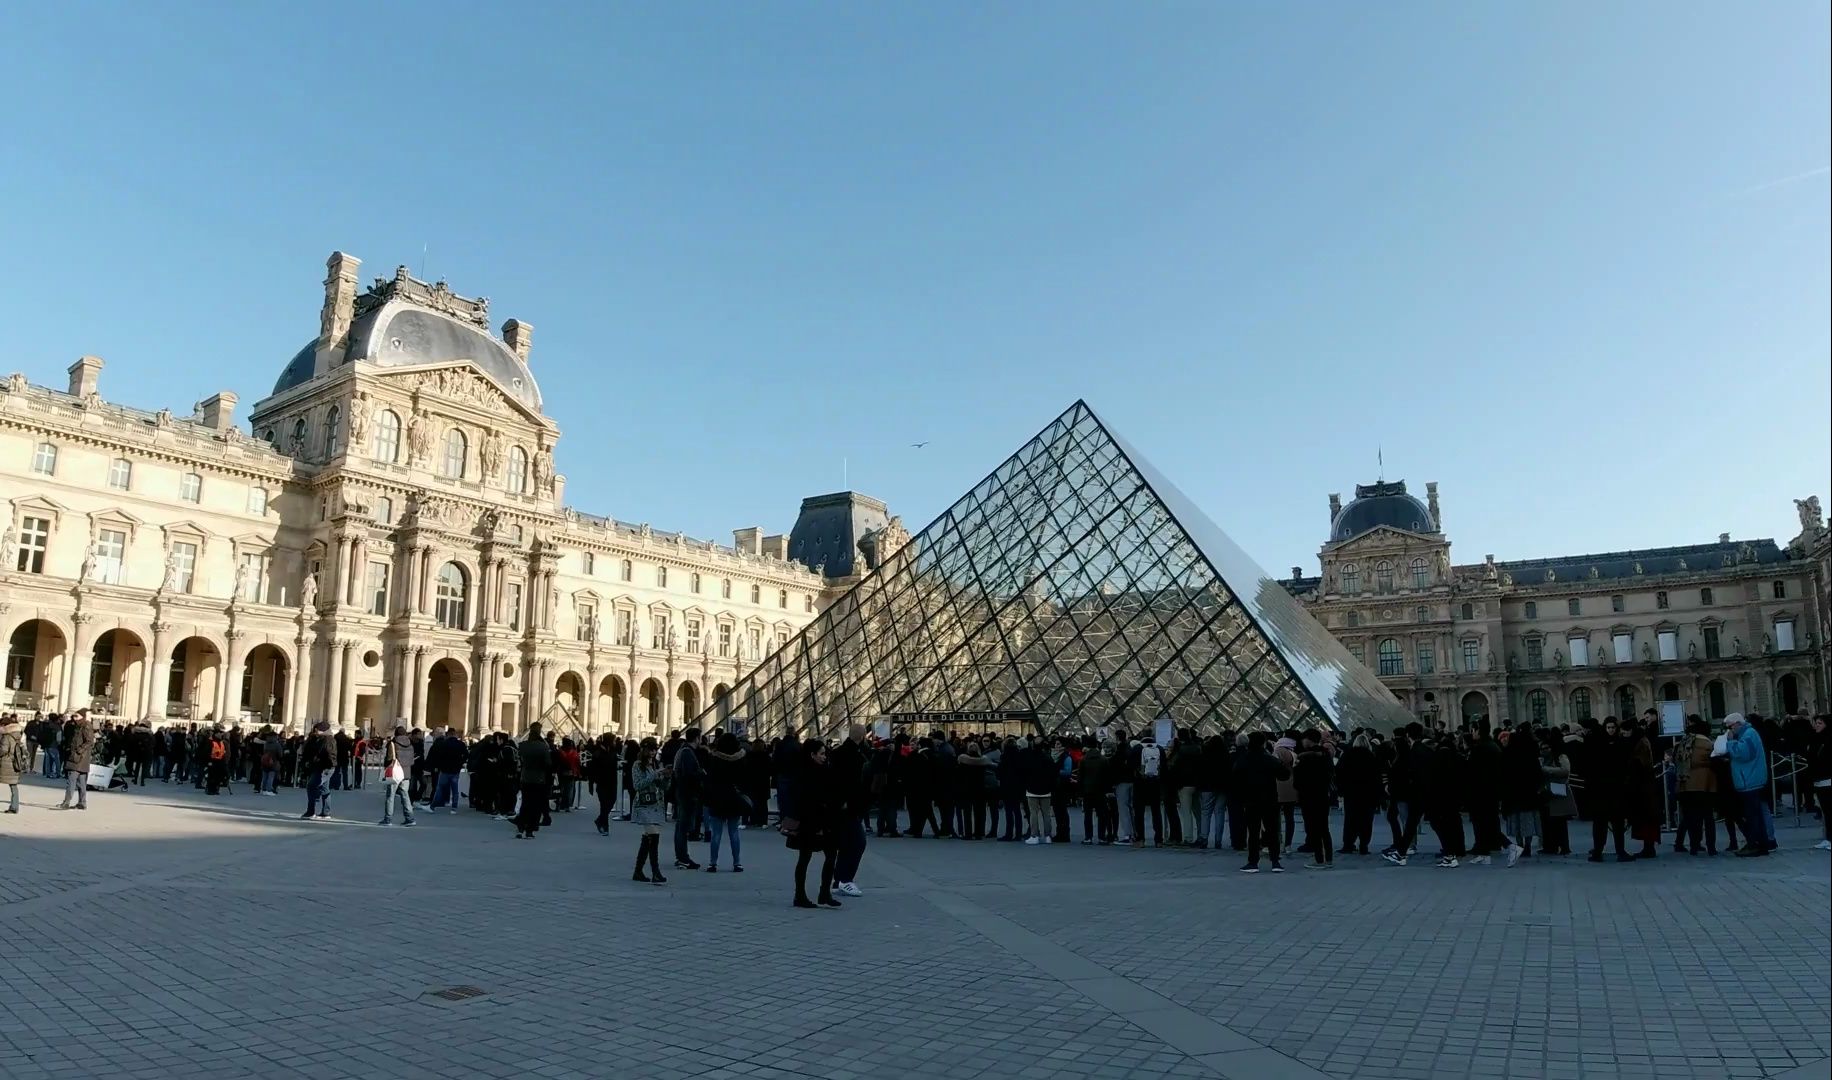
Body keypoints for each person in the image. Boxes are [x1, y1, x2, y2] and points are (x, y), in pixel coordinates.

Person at [787, 740, 842, 908]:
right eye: (822, 753)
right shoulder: (805, 774)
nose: (825, 757)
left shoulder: (822, 770)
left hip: (823, 821)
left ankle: (824, 892)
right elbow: (804, 799)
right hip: (809, 821)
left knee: (830, 855)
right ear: (812, 755)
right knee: (806, 857)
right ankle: (800, 895)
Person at [1233, 732, 1286, 873]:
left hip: (1251, 800)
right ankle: (1275, 862)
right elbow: (1284, 775)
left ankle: (1252, 862)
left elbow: (1236, 776)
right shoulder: (1269, 758)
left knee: (1253, 832)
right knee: (1272, 831)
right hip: (1270, 799)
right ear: (1264, 742)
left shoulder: (1244, 758)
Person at [827, 723, 870, 894]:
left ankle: (839, 881)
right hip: (849, 807)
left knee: (846, 844)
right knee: (858, 843)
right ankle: (845, 879)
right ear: (862, 736)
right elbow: (850, 783)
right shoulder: (855, 755)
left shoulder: (838, 753)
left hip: (844, 806)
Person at [1724, 713, 1772, 857]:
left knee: (1752, 815)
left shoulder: (1749, 734)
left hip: (1749, 780)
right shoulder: (1748, 734)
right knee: (1755, 814)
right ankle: (1761, 844)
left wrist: (1731, 742)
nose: (1729, 730)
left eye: (1730, 727)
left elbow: (1743, 754)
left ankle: (1754, 844)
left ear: (1738, 723)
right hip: (1749, 779)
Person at [702, 732, 750, 873]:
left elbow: (709, 780)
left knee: (716, 833)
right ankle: (737, 863)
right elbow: (745, 779)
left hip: (718, 798)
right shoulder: (741, 758)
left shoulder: (714, 759)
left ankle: (713, 863)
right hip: (734, 798)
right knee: (734, 832)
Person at [1584, 718, 1631, 862]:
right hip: (1602, 789)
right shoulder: (1599, 744)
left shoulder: (1620, 743)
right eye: (1608, 727)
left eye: (1613, 727)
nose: (1611, 730)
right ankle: (1598, 850)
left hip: (1615, 789)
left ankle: (1619, 850)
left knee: (1616, 823)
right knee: (1601, 823)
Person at [1497, 722, 1541, 864]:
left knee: (1515, 822)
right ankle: (1527, 845)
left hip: (1512, 794)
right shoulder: (1530, 752)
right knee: (1528, 821)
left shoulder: (1507, 754)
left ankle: (1520, 844)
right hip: (1528, 793)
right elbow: (1537, 772)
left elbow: (1503, 775)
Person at [1674, 716, 1719, 855]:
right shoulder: (1707, 744)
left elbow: (1676, 760)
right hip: (1704, 783)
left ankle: (1694, 846)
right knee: (1708, 817)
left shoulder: (1682, 742)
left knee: (1691, 817)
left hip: (1686, 783)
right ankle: (1711, 847)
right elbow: (1714, 760)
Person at [1293, 730, 1335, 869]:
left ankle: (1319, 859)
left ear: (1309, 740)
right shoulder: (1326, 754)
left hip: (1309, 796)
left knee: (1313, 828)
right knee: (1324, 828)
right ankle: (1328, 858)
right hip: (1323, 795)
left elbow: (1297, 781)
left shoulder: (1304, 757)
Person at [629, 739, 669, 884]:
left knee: (648, 837)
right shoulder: (637, 765)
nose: (653, 753)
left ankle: (638, 871)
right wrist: (654, 774)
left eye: (655, 749)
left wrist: (666, 777)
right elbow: (638, 785)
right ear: (644, 750)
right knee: (654, 835)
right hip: (643, 804)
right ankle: (655, 872)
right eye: (650, 749)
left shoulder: (655, 764)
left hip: (656, 803)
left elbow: (663, 786)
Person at [1336, 732, 1379, 855]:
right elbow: (1376, 777)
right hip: (1368, 793)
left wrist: (1341, 790)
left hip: (1351, 792)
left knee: (1350, 819)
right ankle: (1364, 845)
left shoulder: (1348, 755)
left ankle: (1348, 844)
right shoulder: (1371, 756)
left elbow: (1339, 772)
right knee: (1366, 820)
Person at [671, 728, 705, 869]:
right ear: (696, 738)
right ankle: (683, 857)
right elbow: (689, 774)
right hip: (687, 794)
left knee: (681, 826)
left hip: (682, 792)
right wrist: (701, 773)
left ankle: (682, 856)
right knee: (683, 826)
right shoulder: (687, 753)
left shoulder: (682, 751)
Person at [513, 723, 552, 839]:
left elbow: (519, 761)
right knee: (535, 805)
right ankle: (530, 830)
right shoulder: (543, 747)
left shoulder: (522, 745)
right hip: (539, 779)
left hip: (525, 778)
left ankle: (520, 827)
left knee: (525, 803)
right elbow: (548, 764)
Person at [378, 725, 417, 827]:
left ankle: (388, 819)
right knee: (405, 795)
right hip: (406, 772)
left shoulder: (393, 744)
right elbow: (412, 761)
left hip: (395, 773)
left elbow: (389, 759)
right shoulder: (410, 744)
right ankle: (410, 818)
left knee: (390, 796)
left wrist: (386, 767)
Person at [57, 710, 95, 811]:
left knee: (71, 781)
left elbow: (90, 741)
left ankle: (66, 802)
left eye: (76, 716)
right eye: (73, 716)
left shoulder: (85, 726)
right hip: (80, 758)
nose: (74, 718)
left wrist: (79, 750)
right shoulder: (78, 725)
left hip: (77, 758)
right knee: (81, 783)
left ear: (82, 716)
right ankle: (82, 803)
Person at [1805, 714, 1831, 851]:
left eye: (1820, 723)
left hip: (1828, 778)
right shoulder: (1816, 739)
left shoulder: (1827, 739)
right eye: (1816, 723)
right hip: (1818, 778)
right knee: (1825, 811)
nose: (1816, 726)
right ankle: (1828, 838)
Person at [429, 728, 465, 814]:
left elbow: (439, 756)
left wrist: (439, 766)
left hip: (445, 769)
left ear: (448, 734)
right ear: (455, 734)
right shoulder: (460, 744)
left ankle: (432, 806)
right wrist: (460, 763)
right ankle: (454, 808)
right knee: (455, 789)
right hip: (455, 769)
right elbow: (466, 754)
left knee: (440, 788)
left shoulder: (444, 744)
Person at [1, 713, 26, 813]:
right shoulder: (19, 734)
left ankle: (14, 807)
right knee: (13, 785)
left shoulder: (7, 736)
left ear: (4, 726)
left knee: (12, 785)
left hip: (6, 763)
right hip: (16, 762)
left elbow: (3, 749)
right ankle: (14, 807)